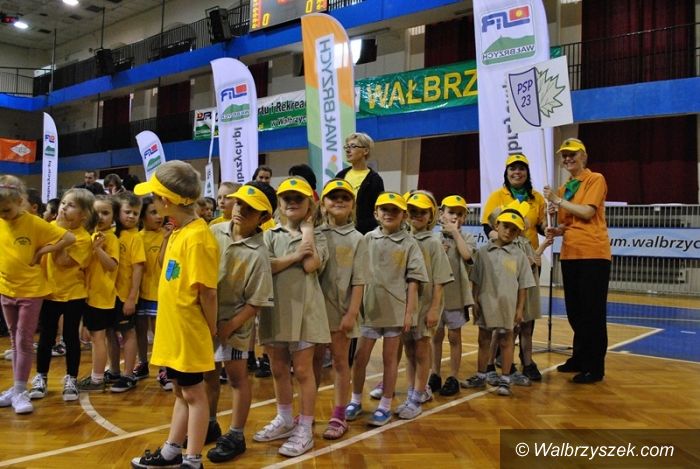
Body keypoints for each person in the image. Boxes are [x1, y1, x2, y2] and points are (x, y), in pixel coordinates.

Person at [131, 160, 219, 469]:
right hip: (175, 328)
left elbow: (208, 292)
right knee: (181, 391)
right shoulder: (180, 231)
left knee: (194, 394)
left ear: (166, 201)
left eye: (154, 197)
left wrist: (211, 328)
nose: (152, 203)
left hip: (189, 329)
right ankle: (171, 451)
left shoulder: (198, 238)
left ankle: (192, 460)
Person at [254, 176, 330, 457]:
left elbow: (311, 265)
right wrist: (295, 256)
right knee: (277, 368)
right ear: (279, 203)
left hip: (306, 313)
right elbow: (266, 266)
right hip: (275, 311)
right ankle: (285, 419)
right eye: (287, 198)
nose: (292, 202)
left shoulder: (318, 235)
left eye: (299, 198)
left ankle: (305, 428)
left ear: (310, 205)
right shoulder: (269, 235)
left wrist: (307, 231)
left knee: (303, 371)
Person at [206, 182, 276, 463]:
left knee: (237, 378)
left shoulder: (258, 254)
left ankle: (236, 434)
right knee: (208, 375)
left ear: (263, 218)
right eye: (239, 204)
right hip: (206, 321)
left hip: (235, 327)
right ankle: (209, 423)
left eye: (250, 209)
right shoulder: (214, 232)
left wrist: (229, 326)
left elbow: (255, 302)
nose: (240, 211)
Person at [345, 192, 427, 427]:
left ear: (404, 215)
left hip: (395, 311)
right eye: (384, 209)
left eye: (395, 210)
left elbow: (414, 280)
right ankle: (355, 400)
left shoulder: (409, 243)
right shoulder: (367, 239)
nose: (389, 214)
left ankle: (385, 405)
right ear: (376, 213)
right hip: (370, 310)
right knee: (360, 358)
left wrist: (409, 312)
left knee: (389, 359)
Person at [0, 175, 75, 414]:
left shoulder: (33, 223)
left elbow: (69, 237)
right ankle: (16, 387)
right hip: (6, 289)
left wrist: (43, 251)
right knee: (14, 339)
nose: (3, 215)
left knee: (23, 340)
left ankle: (21, 390)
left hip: (30, 291)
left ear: (19, 201)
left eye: (6, 210)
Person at [544, 137, 611, 384]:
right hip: (570, 253)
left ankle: (595, 366)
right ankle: (580, 357)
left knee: (592, 312)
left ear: (583, 156)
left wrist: (558, 201)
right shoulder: (565, 188)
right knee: (575, 311)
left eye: (572, 154)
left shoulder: (595, 179)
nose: (567, 158)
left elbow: (587, 212)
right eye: (564, 155)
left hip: (593, 253)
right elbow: (568, 222)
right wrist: (556, 228)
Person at [481, 153, 547, 380]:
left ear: (527, 172)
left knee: (526, 317)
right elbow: (487, 226)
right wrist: (504, 244)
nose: (517, 172)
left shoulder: (537, 198)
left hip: (529, 260)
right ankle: (493, 361)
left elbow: (540, 226)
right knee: (502, 316)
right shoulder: (497, 196)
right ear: (506, 172)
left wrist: (548, 228)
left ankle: (527, 361)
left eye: (521, 168)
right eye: (512, 168)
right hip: (505, 261)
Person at [462, 201, 535, 397]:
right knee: (483, 339)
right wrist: (475, 301)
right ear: (496, 225)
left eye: (514, 229)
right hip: (486, 303)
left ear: (518, 233)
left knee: (506, 341)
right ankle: (481, 375)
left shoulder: (519, 256)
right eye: (506, 226)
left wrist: (519, 309)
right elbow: (476, 279)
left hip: (507, 305)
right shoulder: (483, 253)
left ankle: (505, 379)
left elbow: (523, 285)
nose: (509, 231)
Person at [31, 188, 95, 402]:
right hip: (49, 292)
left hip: (73, 294)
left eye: (71, 205)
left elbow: (62, 261)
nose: (64, 208)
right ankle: (41, 377)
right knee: (46, 336)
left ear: (83, 215)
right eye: (63, 203)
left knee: (70, 337)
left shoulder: (83, 238)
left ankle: (71, 378)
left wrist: (62, 235)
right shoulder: (50, 227)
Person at [316, 179, 367, 439]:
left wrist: (352, 313)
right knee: (312, 364)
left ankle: (339, 415)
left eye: (345, 197)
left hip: (341, 312)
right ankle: (306, 413)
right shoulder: (314, 233)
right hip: (314, 313)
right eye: (333, 196)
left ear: (352, 205)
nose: (338, 201)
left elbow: (359, 279)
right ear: (323, 204)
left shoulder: (358, 239)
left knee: (339, 361)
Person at [397, 191, 453, 420]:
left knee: (421, 349)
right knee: (409, 350)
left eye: (423, 211)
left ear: (431, 215)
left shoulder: (433, 243)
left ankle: (417, 396)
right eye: (413, 211)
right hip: (406, 306)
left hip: (426, 304)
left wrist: (434, 309)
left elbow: (440, 280)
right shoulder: (403, 239)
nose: (417, 215)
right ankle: (412, 391)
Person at [429, 195, 475, 397]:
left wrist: (456, 234)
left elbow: (467, 256)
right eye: (451, 212)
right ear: (441, 214)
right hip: (435, 298)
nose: (455, 217)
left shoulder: (467, 238)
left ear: (464, 217)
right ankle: (434, 373)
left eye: (460, 214)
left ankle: (454, 376)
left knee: (454, 336)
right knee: (436, 336)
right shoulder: (433, 238)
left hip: (456, 297)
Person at [78, 195, 120, 393]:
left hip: (102, 297)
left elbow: (111, 265)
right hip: (90, 295)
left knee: (98, 338)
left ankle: (97, 379)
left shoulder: (110, 238)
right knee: (96, 337)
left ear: (113, 217)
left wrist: (97, 250)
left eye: (105, 213)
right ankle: (98, 375)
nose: (100, 217)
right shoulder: (93, 234)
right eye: (97, 213)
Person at [106, 193, 145, 393]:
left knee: (128, 333)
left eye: (135, 213)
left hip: (125, 296)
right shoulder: (111, 234)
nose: (131, 216)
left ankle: (129, 375)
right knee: (109, 333)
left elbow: (138, 269)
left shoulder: (135, 237)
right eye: (127, 212)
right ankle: (114, 370)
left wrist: (131, 298)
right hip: (108, 295)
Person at [133, 196, 168, 387]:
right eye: (153, 212)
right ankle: (142, 363)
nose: (158, 216)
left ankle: (164, 368)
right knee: (140, 330)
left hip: (159, 293)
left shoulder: (167, 235)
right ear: (142, 216)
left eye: (160, 212)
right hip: (139, 293)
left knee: (159, 333)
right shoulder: (137, 237)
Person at [335, 133, 385, 234]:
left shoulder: (375, 179)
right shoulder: (341, 175)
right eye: (347, 147)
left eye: (353, 146)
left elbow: (378, 210)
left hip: (364, 233)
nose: (348, 150)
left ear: (365, 151)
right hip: (339, 229)